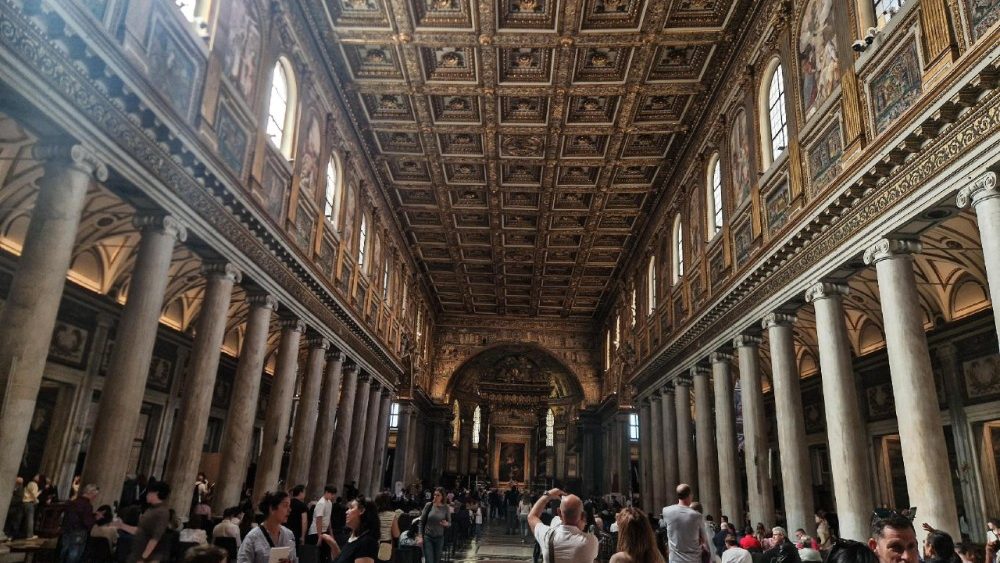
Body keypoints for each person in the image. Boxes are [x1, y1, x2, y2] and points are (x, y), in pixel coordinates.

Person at [527, 488, 599, 563]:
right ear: (583, 515)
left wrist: (548, 495)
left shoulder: (547, 536)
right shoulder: (591, 541)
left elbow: (532, 516)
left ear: (559, 512)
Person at [119, 480, 173, 563]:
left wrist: (144, 557)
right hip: (138, 551)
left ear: (155, 493)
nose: (146, 495)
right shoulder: (150, 509)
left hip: (149, 555)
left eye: (148, 492)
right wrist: (121, 526)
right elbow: (141, 530)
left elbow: (156, 537)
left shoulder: (162, 512)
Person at [237, 491, 298, 563]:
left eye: (289, 506)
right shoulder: (253, 537)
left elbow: (294, 559)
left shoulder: (289, 534)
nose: (289, 510)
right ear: (272, 508)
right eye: (285, 505)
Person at [660, 484, 708, 563]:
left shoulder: (666, 511)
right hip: (693, 559)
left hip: (675, 559)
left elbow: (665, 527)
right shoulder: (697, 516)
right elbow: (704, 539)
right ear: (690, 496)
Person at [323, 496, 379, 563]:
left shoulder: (367, 543)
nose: (346, 512)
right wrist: (333, 544)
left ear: (361, 510)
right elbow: (342, 560)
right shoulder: (354, 537)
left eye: (351, 508)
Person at [61, 483, 100, 563]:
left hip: (67, 529)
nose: (95, 498)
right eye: (95, 495)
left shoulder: (73, 502)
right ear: (90, 493)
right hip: (79, 532)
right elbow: (87, 522)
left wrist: (92, 515)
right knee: (74, 555)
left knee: (64, 551)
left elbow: (77, 515)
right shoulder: (87, 505)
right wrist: (95, 518)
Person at [419, 488, 451, 563]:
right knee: (429, 560)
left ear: (442, 497)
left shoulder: (446, 508)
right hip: (428, 537)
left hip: (439, 538)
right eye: (434, 495)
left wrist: (446, 524)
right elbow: (421, 521)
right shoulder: (429, 505)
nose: (435, 497)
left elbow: (449, 523)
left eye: (438, 495)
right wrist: (420, 536)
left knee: (436, 561)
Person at [310, 486, 337, 562]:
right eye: (332, 494)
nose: (333, 496)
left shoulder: (329, 503)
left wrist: (331, 533)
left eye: (334, 494)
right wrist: (319, 536)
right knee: (317, 556)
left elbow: (328, 518)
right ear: (326, 492)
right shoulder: (321, 503)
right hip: (316, 532)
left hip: (324, 531)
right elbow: (319, 519)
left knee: (325, 555)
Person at [374, 493, 400, 562]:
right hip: (385, 544)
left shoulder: (373, 514)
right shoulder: (392, 515)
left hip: (372, 543)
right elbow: (396, 534)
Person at [22, 474, 40, 539]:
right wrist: (40, 493)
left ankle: (24, 533)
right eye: (37, 476)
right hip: (29, 502)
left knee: (25, 519)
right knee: (30, 519)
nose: (38, 478)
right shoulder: (34, 484)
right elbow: (34, 495)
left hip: (24, 502)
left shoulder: (29, 483)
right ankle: (29, 535)